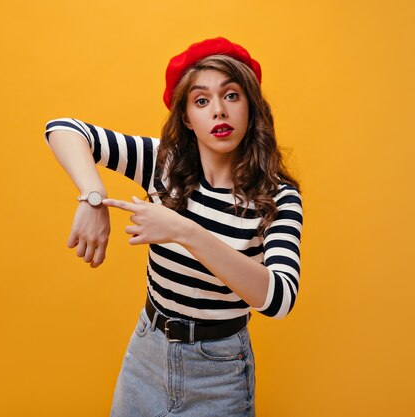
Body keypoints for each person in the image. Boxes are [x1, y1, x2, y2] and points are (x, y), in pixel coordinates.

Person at [44, 37, 303, 417]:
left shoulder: (278, 195)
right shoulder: (161, 163)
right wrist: (92, 194)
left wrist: (185, 231)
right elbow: (63, 128)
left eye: (231, 95)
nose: (218, 111)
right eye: (201, 101)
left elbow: (279, 299)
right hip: (147, 353)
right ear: (186, 117)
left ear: (250, 105)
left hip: (220, 371)